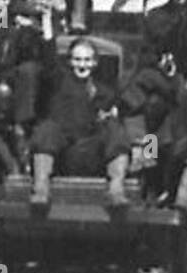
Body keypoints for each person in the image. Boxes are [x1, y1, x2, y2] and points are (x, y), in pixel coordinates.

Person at [30, 37, 132, 209]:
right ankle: (41, 188)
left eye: (87, 60)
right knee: (47, 129)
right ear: (69, 62)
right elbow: (49, 61)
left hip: (92, 152)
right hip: (63, 151)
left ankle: (116, 188)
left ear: (94, 63)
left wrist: (108, 117)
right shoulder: (59, 82)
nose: (82, 65)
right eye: (77, 60)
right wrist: (48, 29)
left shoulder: (105, 92)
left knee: (115, 128)